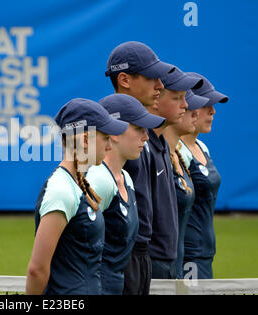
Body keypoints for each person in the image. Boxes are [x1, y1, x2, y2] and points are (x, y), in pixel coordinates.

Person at [25, 98, 129, 295]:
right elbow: (37, 270)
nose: (109, 146)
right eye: (105, 137)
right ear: (85, 139)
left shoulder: (78, 185)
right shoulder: (61, 191)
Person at [105, 41, 175, 295]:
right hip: (123, 261)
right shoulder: (109, 135)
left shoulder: (143, 135)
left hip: (143, 257)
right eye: (151, 77)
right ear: (124, 79)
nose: (160, 86)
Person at [86, 93, 165, 294]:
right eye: (139, 129)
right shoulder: (97, 179)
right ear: (114, 132)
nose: (146, 137)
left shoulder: (126, 178)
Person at [147, 67, 203, 279]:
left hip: (175, 264)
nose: (187, 105)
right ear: (156, 99)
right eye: (178, 98)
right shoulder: (144, 150)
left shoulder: (162, 148)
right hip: (153, 267)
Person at [179, 73, 229, 279]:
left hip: (205, 252)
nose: (213, 111)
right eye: (206, 105)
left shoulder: (202, 147)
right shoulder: (176, 152)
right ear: (188, 106)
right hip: (187, 255)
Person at [163, 90, 209, 278]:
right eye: (191, 108)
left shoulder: (182, 155)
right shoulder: (154, 156)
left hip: (190, 255)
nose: (195, 113)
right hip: (175, 259)